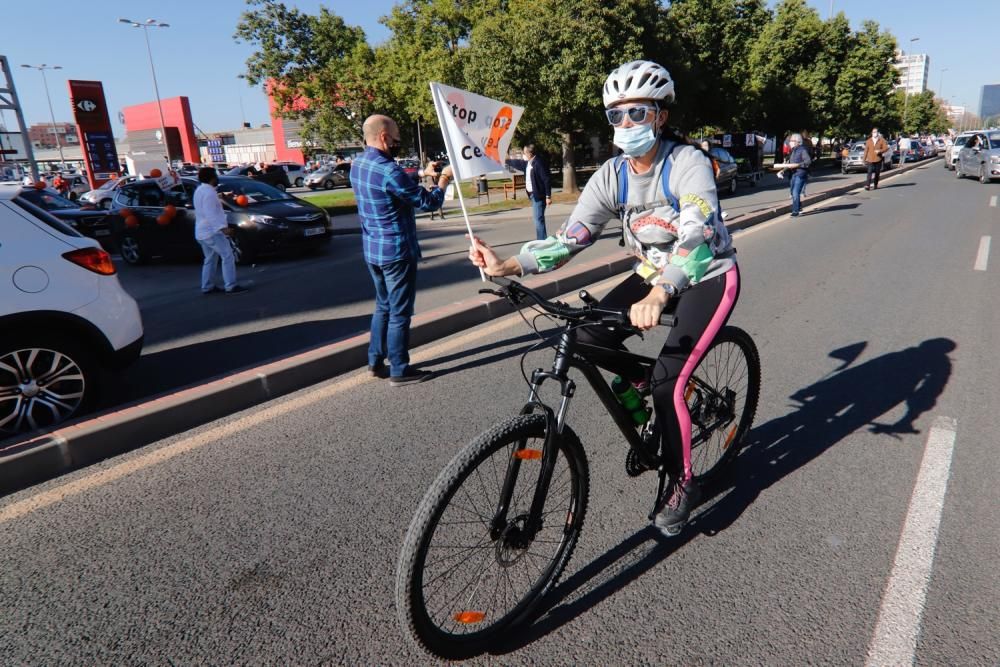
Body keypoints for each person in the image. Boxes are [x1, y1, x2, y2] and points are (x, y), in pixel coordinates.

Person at [469, 60, 739, 536]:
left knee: (667, 384)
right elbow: (572, 237)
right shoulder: (612, 175)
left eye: (638, 113)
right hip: (653, 272)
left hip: (705, 274)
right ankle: (640, 379)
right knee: (588, 338)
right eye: (617, 116)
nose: (627, 125)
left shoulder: (686, 162)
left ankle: (682, 482)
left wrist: (661, 291)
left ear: (661, 116)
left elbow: (695, 230)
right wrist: (507, 265)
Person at [352, 114, 452, 386]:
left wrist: (422, 173)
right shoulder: (389, 171)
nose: (398, 143)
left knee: (382, 306)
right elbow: (428, 202)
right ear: (384, 137)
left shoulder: (358, 164)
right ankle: (399, 369)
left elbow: (393, 179)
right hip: (397, 251)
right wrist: (443, 179)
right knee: (400, 312)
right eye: (396, 139)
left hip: (373, 250)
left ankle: (375, 361)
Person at [194, 167, 246, 295]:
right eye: (215, 176)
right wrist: (223, 229)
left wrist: (221, 196)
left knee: (210, 259)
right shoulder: (209, 193)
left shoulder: (200, 190)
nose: (217, 178)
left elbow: (207, 205)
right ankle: (231, 285)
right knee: (227, 255)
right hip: (212, 232)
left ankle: (207, 286)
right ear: (212, 178)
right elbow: (210, 213)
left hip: (201, 232)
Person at [505, 144, 552, 240]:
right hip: (532, 195)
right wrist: (506, 160)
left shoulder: (538, 163)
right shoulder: (528, 163)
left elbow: (546, 179)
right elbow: (517, 163)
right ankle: (542, 240)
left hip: (538, 195)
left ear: (530, 153)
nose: (523, 154)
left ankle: (542, 241)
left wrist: (548, 196)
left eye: (524, 152)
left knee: (538, 220)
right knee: (538, 219)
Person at [775, 133, 811, 217]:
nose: (789, 142)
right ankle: (799, 207)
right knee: (792, 192)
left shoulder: (803, 150)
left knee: (795, 192)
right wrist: (782, 171)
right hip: (793, 174)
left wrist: (798, 165)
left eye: (791, 141)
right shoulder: (792, 151)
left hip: (800, 173)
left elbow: (808, 161)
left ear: (797, 142)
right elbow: (790, 164)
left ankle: (795, 211)